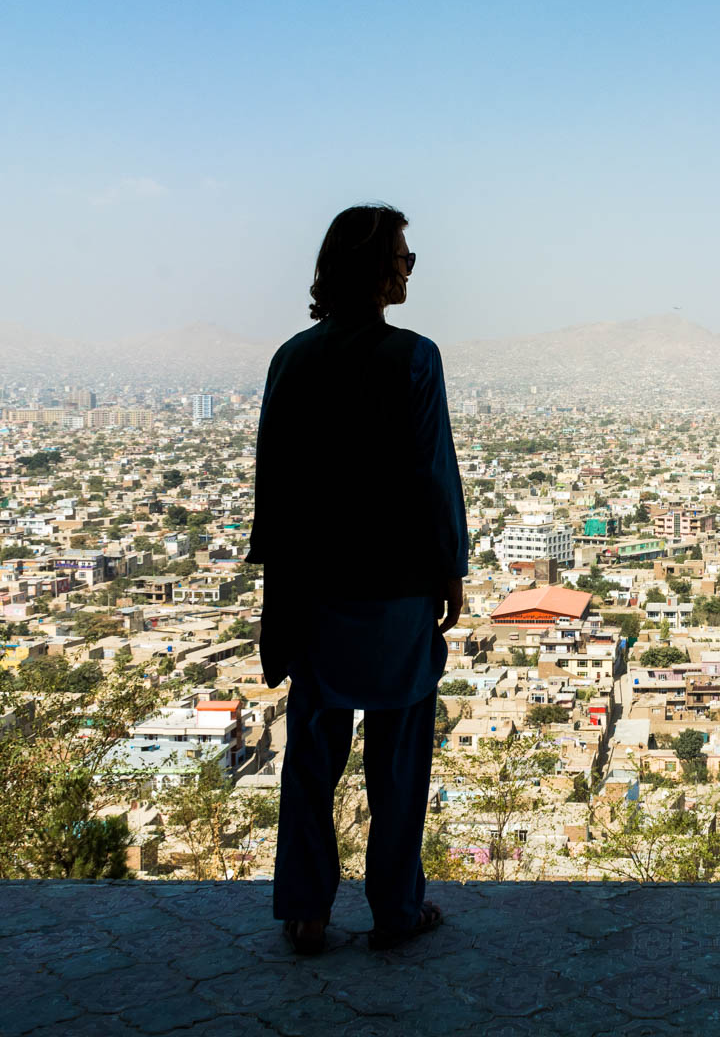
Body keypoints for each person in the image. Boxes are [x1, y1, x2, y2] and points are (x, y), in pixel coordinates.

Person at [249, 204, 468, 954]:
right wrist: (451, 567)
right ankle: (395, 910)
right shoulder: (413, 357)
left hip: (316, 587)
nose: (410, 266)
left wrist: (277, 593)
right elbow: (433, 476)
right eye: (402, 254)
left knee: (313, 753)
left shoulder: (293, 358)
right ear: (373, 267)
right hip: (398, 583)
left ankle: (307, 911)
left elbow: (272, 489)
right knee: (398, 757)